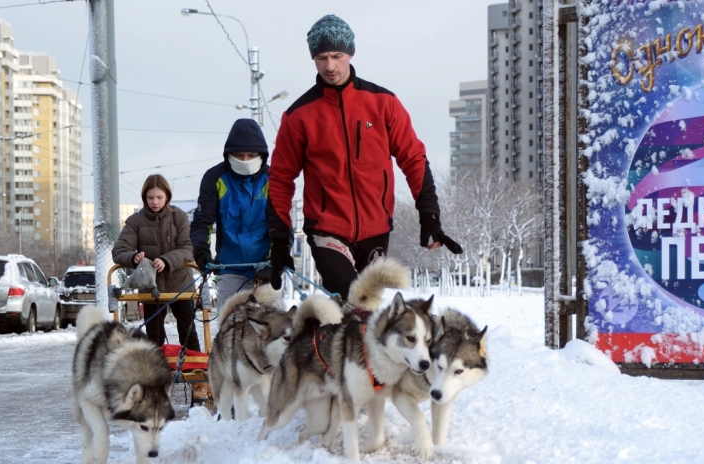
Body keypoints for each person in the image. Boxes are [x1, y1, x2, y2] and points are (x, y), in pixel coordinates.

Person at [266, 14, 462, 299]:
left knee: (366, 313)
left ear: (350, 53)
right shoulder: (298, 116)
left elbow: (414, 159)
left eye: (337, 55)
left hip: (376, 228)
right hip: (327, 229)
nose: (330, 66)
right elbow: (281, 180)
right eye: (321, 57)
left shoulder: (384, 103)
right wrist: (279, 239)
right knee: (350, 300)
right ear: (313, 59)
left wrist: (429, 214)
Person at [112, 174, 201, 352]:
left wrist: (166, 261)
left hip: (180, 285)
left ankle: (197, 372)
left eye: (159, 197)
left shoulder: (179, 217)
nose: (155, 202)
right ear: (144, 197)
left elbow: (188, 248)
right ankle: (156, 375)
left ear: (167, 196)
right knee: (154, 336)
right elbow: (119, 251)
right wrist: (134, 258)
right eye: (150, 197)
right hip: (150, 288)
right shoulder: (136, 221)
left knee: (188, 332)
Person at [190, 118, 272, 309]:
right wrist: (201, 250)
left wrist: (274, 261)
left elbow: (281, 225)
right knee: (229, 327)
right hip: (230, 268)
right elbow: (202, 222)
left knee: (275, 328)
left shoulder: (273, 178)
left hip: (266, 268)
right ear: (229, 154)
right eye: (239, 155)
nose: (245, 160)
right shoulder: (214, 178)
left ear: (261, 154)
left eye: (251, 155)